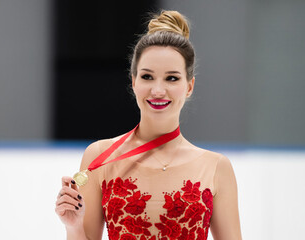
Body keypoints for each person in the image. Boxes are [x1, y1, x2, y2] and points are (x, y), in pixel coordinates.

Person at [55, 10, 242, 240]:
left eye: (172, 78)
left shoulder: (216, 168)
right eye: (147, 77)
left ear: (189, 86)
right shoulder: (99, 158)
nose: (158, 90)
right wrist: (73, 227)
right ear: (133, 81)